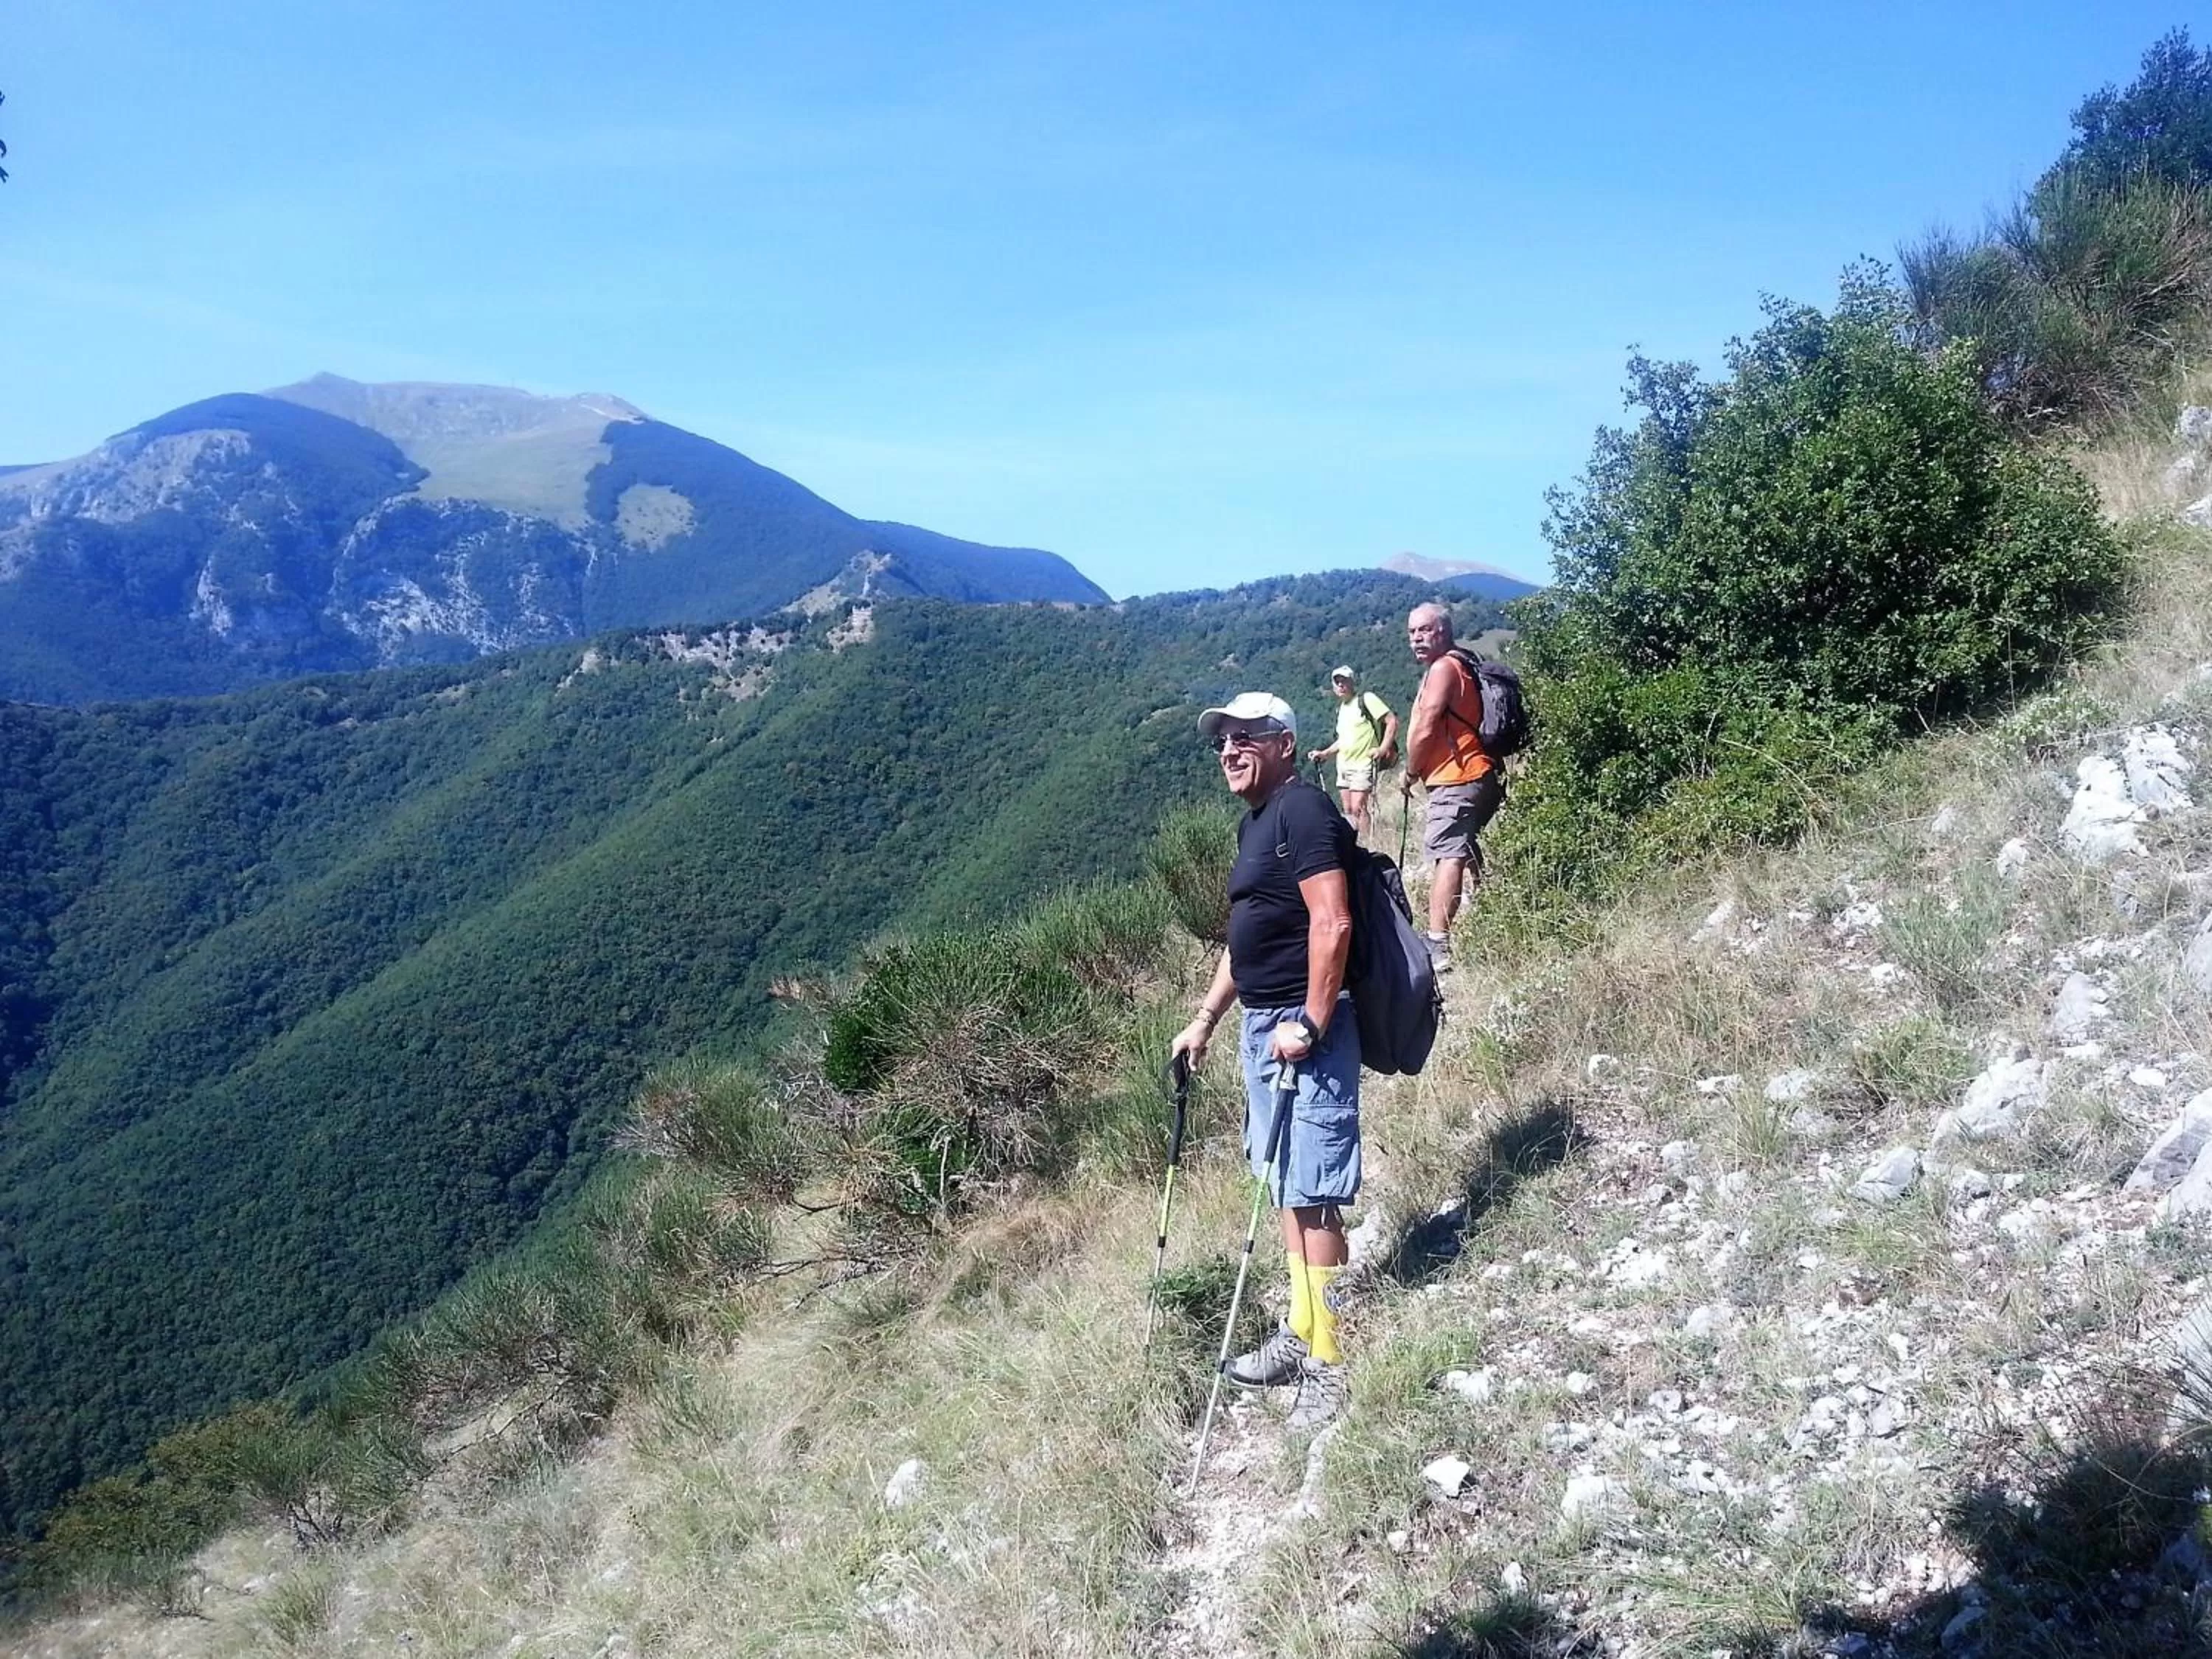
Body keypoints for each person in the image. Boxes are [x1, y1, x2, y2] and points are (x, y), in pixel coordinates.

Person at [1171, 692, 1360, 1433]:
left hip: (1301, 1030)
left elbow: (1334, 919)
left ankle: (1331, 1362)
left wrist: (1310, 1022)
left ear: (1284, 742)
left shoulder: (1305, 811)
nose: (1228, 750)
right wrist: (1205, 1019)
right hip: (1263, 1028)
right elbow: (1243, 941)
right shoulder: (1260, 822)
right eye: (1221, 742)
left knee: (1313, 1193)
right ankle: (1301, 1330)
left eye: (1243, 737)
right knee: (1286, 1185)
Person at [1403, 603, 1503, 972]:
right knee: (1463, 843)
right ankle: (1493, 904)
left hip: (1456, 778)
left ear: (1443, 631)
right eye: (1412, 632)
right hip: (1475, 774)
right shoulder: (1460, 664)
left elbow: (1428, 724)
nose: (1416, 638)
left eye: (1424, 630)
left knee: (1449, 854)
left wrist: (1411, 771)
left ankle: (1437, 945)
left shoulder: (1444, 668)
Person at [1306, 667, 1398, 839]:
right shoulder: (1341, 709)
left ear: (1352, 682)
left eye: (1344, 681)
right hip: (1344, 765)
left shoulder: (1366, 700)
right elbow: (1343, 740)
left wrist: (1382, 749)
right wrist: (1325, 753)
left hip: (1363, 764)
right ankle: (1355, 847)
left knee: (1359, 808)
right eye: (1337, 682)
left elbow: (1392, 721)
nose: (1341, 685)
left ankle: (1369, 845)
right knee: (1348, 811)